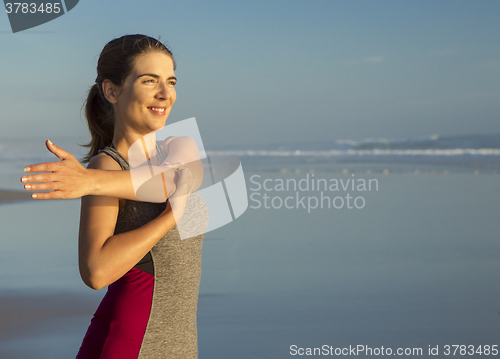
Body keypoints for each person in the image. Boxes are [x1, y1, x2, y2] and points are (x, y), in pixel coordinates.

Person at [21, 34, 208, 359]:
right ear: (112, 91)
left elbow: (177, 180)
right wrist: (170, 217)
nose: (165, 94)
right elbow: (96, 272)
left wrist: (91, 182)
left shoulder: (181, 144)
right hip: (131, 342)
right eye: (150, 81)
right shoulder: (106, 166)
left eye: (171, 81)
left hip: (179, 343)